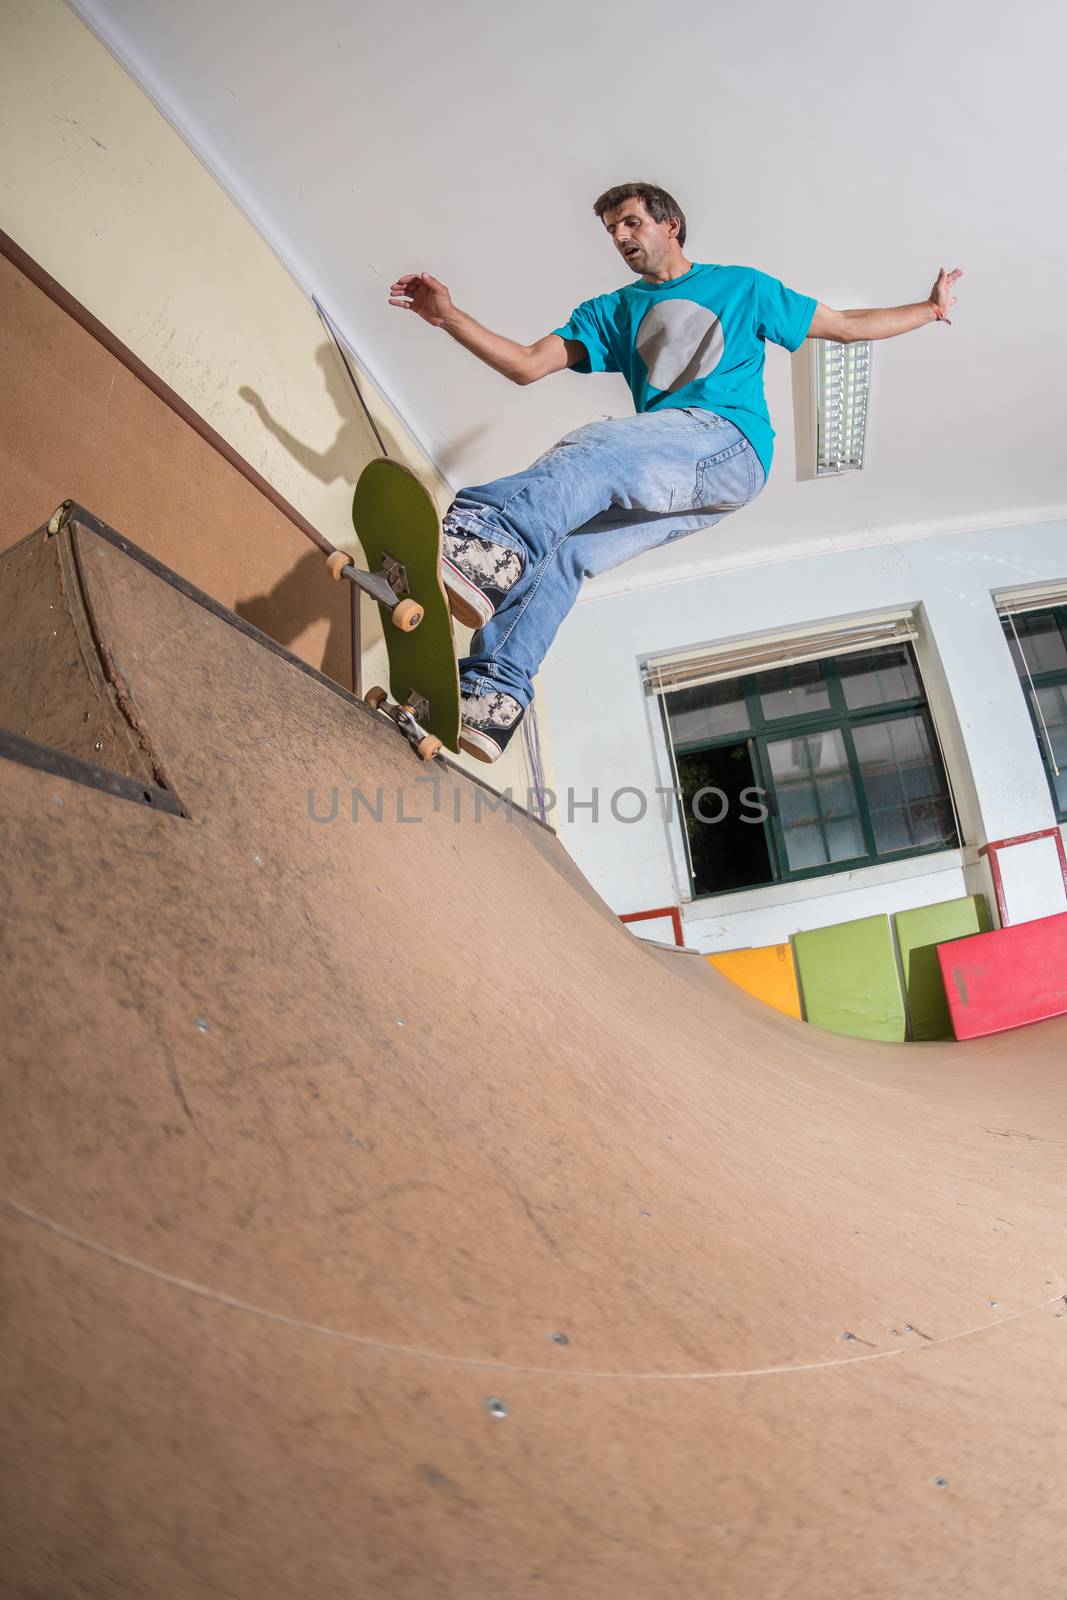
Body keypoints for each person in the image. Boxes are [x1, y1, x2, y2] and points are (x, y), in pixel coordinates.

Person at [389, 182, 962, 763]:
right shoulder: (611, 310)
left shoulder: (742, 286)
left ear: (671, 225)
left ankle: (489, 546)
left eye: (632, 223)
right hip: (681, 480)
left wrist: (930, 308)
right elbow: (528, 365)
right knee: (565, 552)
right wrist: (449, 318)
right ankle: (491, 694)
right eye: (612, 229)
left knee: (597, 448)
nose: (620, 238)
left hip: (727, 444)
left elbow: (844, 325)